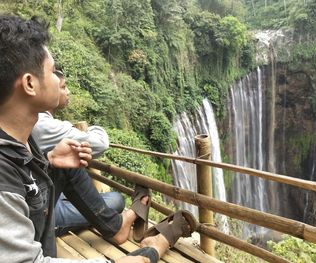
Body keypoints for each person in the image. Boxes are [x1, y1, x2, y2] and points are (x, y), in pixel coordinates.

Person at [0, 14, 197, 263]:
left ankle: (126, 233)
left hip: (41, 234)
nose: (59, 80)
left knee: (70, 173)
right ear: (29, 84)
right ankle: (156, 245)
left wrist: (49, 161)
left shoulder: (20, 139)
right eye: (52, 72)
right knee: (142, 256)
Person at [32, 68, 125, 236]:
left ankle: (113, 224)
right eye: (63, 86)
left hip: (49, 195)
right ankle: (115, 226)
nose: (67, 92)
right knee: (116, 200)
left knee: (108, 199)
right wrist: (91, 130)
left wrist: (50, 157)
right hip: (42, 211)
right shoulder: (41, 124)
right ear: (30, 85)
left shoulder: (33, 123)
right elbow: (100, 143)